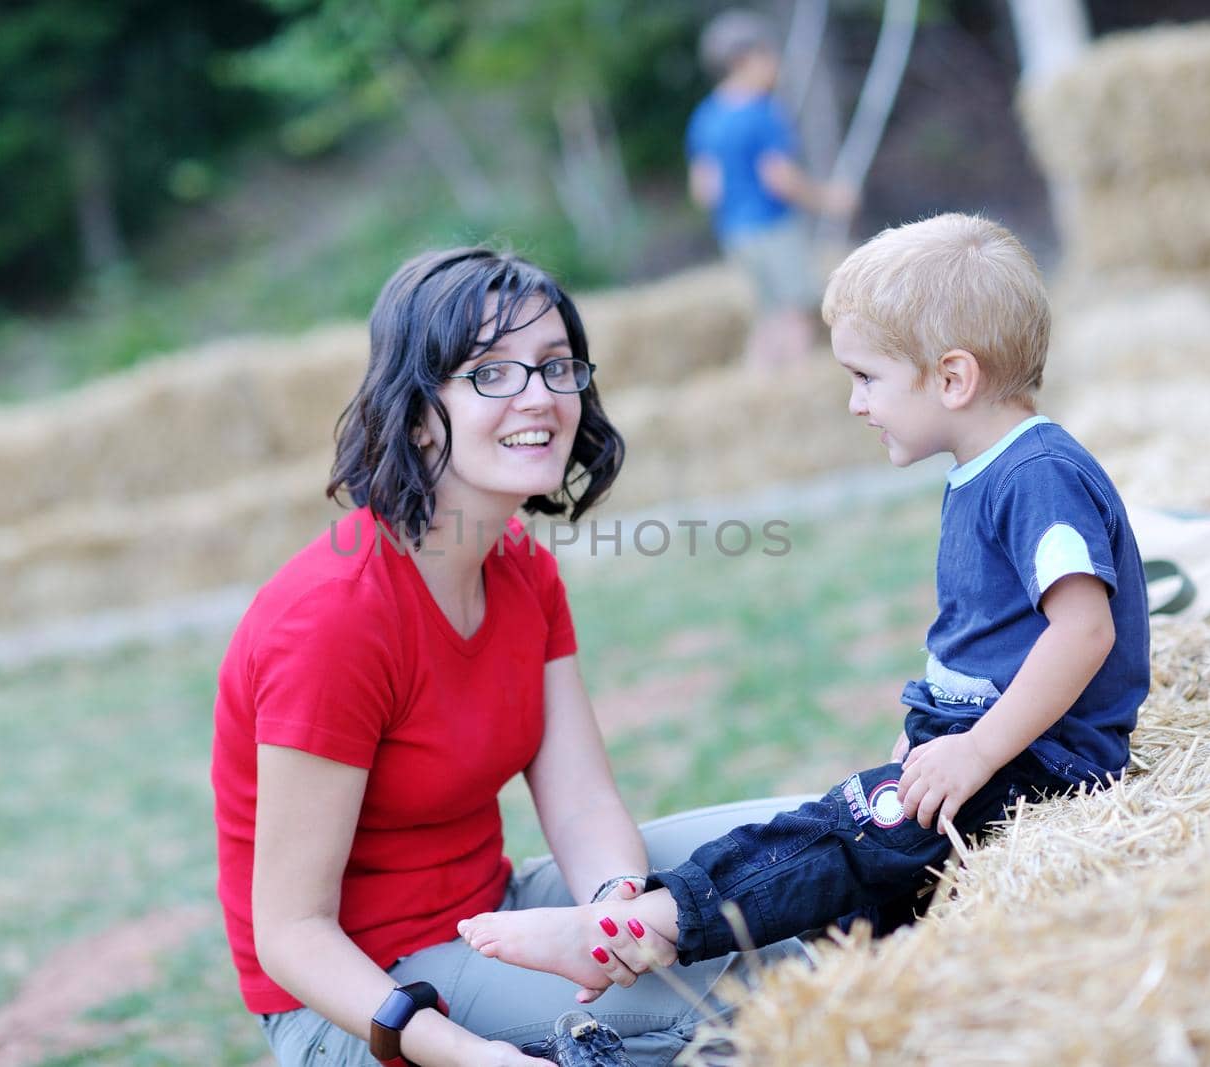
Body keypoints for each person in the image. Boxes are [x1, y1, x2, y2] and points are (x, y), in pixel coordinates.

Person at [457, 214, 1152, 996]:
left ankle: (646, 928)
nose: (855, 403)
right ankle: (701, 940)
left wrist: (978, 748)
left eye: (866, 377)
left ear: (953, 379)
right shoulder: (987, 469)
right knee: (859, 874)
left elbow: (1085, 627)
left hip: (1041, 766)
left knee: (840, 837)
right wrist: (931, 727)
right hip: (989, 747)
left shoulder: (1038, 475)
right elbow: (981, 639)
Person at [211, 247, 805, 1067]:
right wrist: (468, 1055)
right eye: (493, 373)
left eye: (557, 367)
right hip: (362, 1003)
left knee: (805, 857)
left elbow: (583, 802)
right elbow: (291, 932)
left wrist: (614, 913)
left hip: (494, 913)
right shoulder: (333, 617)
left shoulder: (520, 564)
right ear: (418, 412)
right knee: (756, 981)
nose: (540, 395)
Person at [687, 8, 856, 369]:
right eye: (769, 55)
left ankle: (760, 385)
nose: (775, 64)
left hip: (734, 232)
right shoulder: (763, 113)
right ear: (744, 60)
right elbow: (778, 178)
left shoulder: (706, 117)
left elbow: (705, 190)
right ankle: (795, 384)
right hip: (772, 226)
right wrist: (829, 200)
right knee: (797, 311)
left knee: (767, 315)